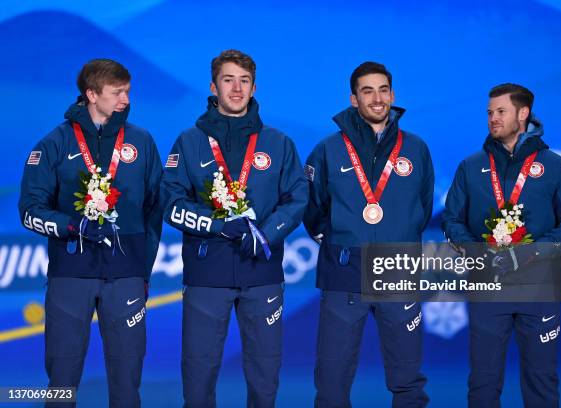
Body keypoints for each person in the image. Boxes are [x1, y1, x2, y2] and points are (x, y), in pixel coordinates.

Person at [160, 49, 308, 407]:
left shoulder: (278, 143)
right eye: (229, 80)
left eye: (244, 81)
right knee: (198, 373)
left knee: (265, 372)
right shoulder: (189, 142)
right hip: (206, 273)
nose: (237, 88)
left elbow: (298, 199)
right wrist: (218, 226)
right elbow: (170, 203)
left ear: (254, 88)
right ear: (214, 86)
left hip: (262, 272)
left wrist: (266, 234)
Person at [18, 58, 163, 407]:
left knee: (128, 380)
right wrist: (71, 226)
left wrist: (142, 270)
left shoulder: (141, 143)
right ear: (92, 94)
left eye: (127, 91)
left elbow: (155, 210)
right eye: (117, 93)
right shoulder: (53, 144)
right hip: (71, 275)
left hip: (126, 275)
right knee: (62, 382)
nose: (126, 99)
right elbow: (29, 211)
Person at [442, 83, 561, 408]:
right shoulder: (470, 167)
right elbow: (451, 221)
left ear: (523, 114)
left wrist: (536, 250)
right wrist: (474, 250)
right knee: (483, 382)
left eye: (501, 111)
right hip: (486, 288)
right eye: (490, 113)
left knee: (542, 381)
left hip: (539, 289)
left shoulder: (554, 166)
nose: (493, 118)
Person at [304, 61, 432, 407]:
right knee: (332, 382)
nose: (377, 98)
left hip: (397, 269)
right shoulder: (329, 149)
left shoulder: (416, 149)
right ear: (353, 99)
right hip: (344, 269)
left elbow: (421, 207)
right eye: (367, 91)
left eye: (383, 89)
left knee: (408, 380)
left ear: (392, 95)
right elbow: (312, 209)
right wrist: (339, 242)